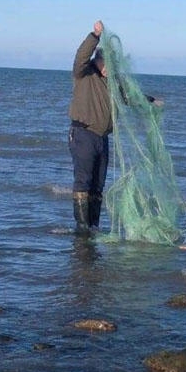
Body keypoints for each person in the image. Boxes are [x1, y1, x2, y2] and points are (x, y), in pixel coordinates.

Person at [67, 20, 160, 235]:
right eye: (106, 63)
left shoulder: (113, 82)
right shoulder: (83, 74)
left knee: (98, 185)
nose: (109, 68)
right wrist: (95, 35)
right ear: (97, 61)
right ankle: (82, 229)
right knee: (84, 181)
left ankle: (93, 227)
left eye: (112, 64)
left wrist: (151, 101)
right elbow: (81, 56)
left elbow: (129, 96)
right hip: (83, 134)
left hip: (102, 138)